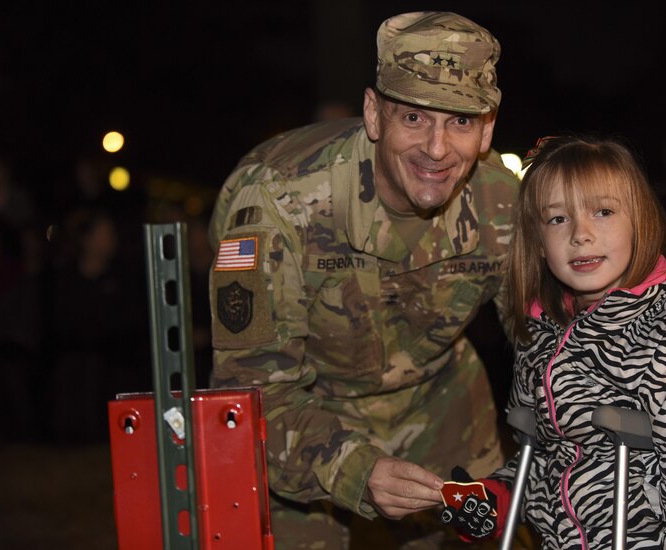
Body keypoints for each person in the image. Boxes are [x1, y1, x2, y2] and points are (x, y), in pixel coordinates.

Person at [207, 11, 520, 548]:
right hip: (304, 411)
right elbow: (250, 397)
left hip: (437, 402)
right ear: (374, 115)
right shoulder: (278, 202)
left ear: (488, 127)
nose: (438, 149)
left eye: (461, 122)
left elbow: (556, 344)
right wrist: (355, 469)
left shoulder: (504, 203)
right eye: (415, 118)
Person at [442, 135, 666, 548]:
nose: (580, 234)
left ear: (639, 221)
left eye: (603, 211)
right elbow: (550, 457)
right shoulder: (542, 334)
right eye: (557, 219)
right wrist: (499, 497)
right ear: (537, 242)